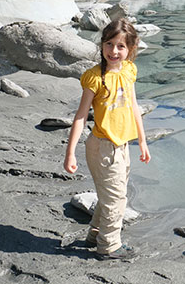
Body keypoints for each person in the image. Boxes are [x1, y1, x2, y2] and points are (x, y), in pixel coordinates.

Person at [63, 18, 151, 260]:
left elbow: (134, 107)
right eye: (109, 44)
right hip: (102, 147)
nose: (114, 51)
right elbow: (81, 116)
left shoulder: (129, 71)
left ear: (131, 49)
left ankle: (95, 235)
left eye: (121, 46)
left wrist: (142, 141)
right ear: (101, 45)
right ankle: (109, 246)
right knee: (116, 199)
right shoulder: (95, 78)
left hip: (122, 146)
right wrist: (70, 153)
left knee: (110, 194)